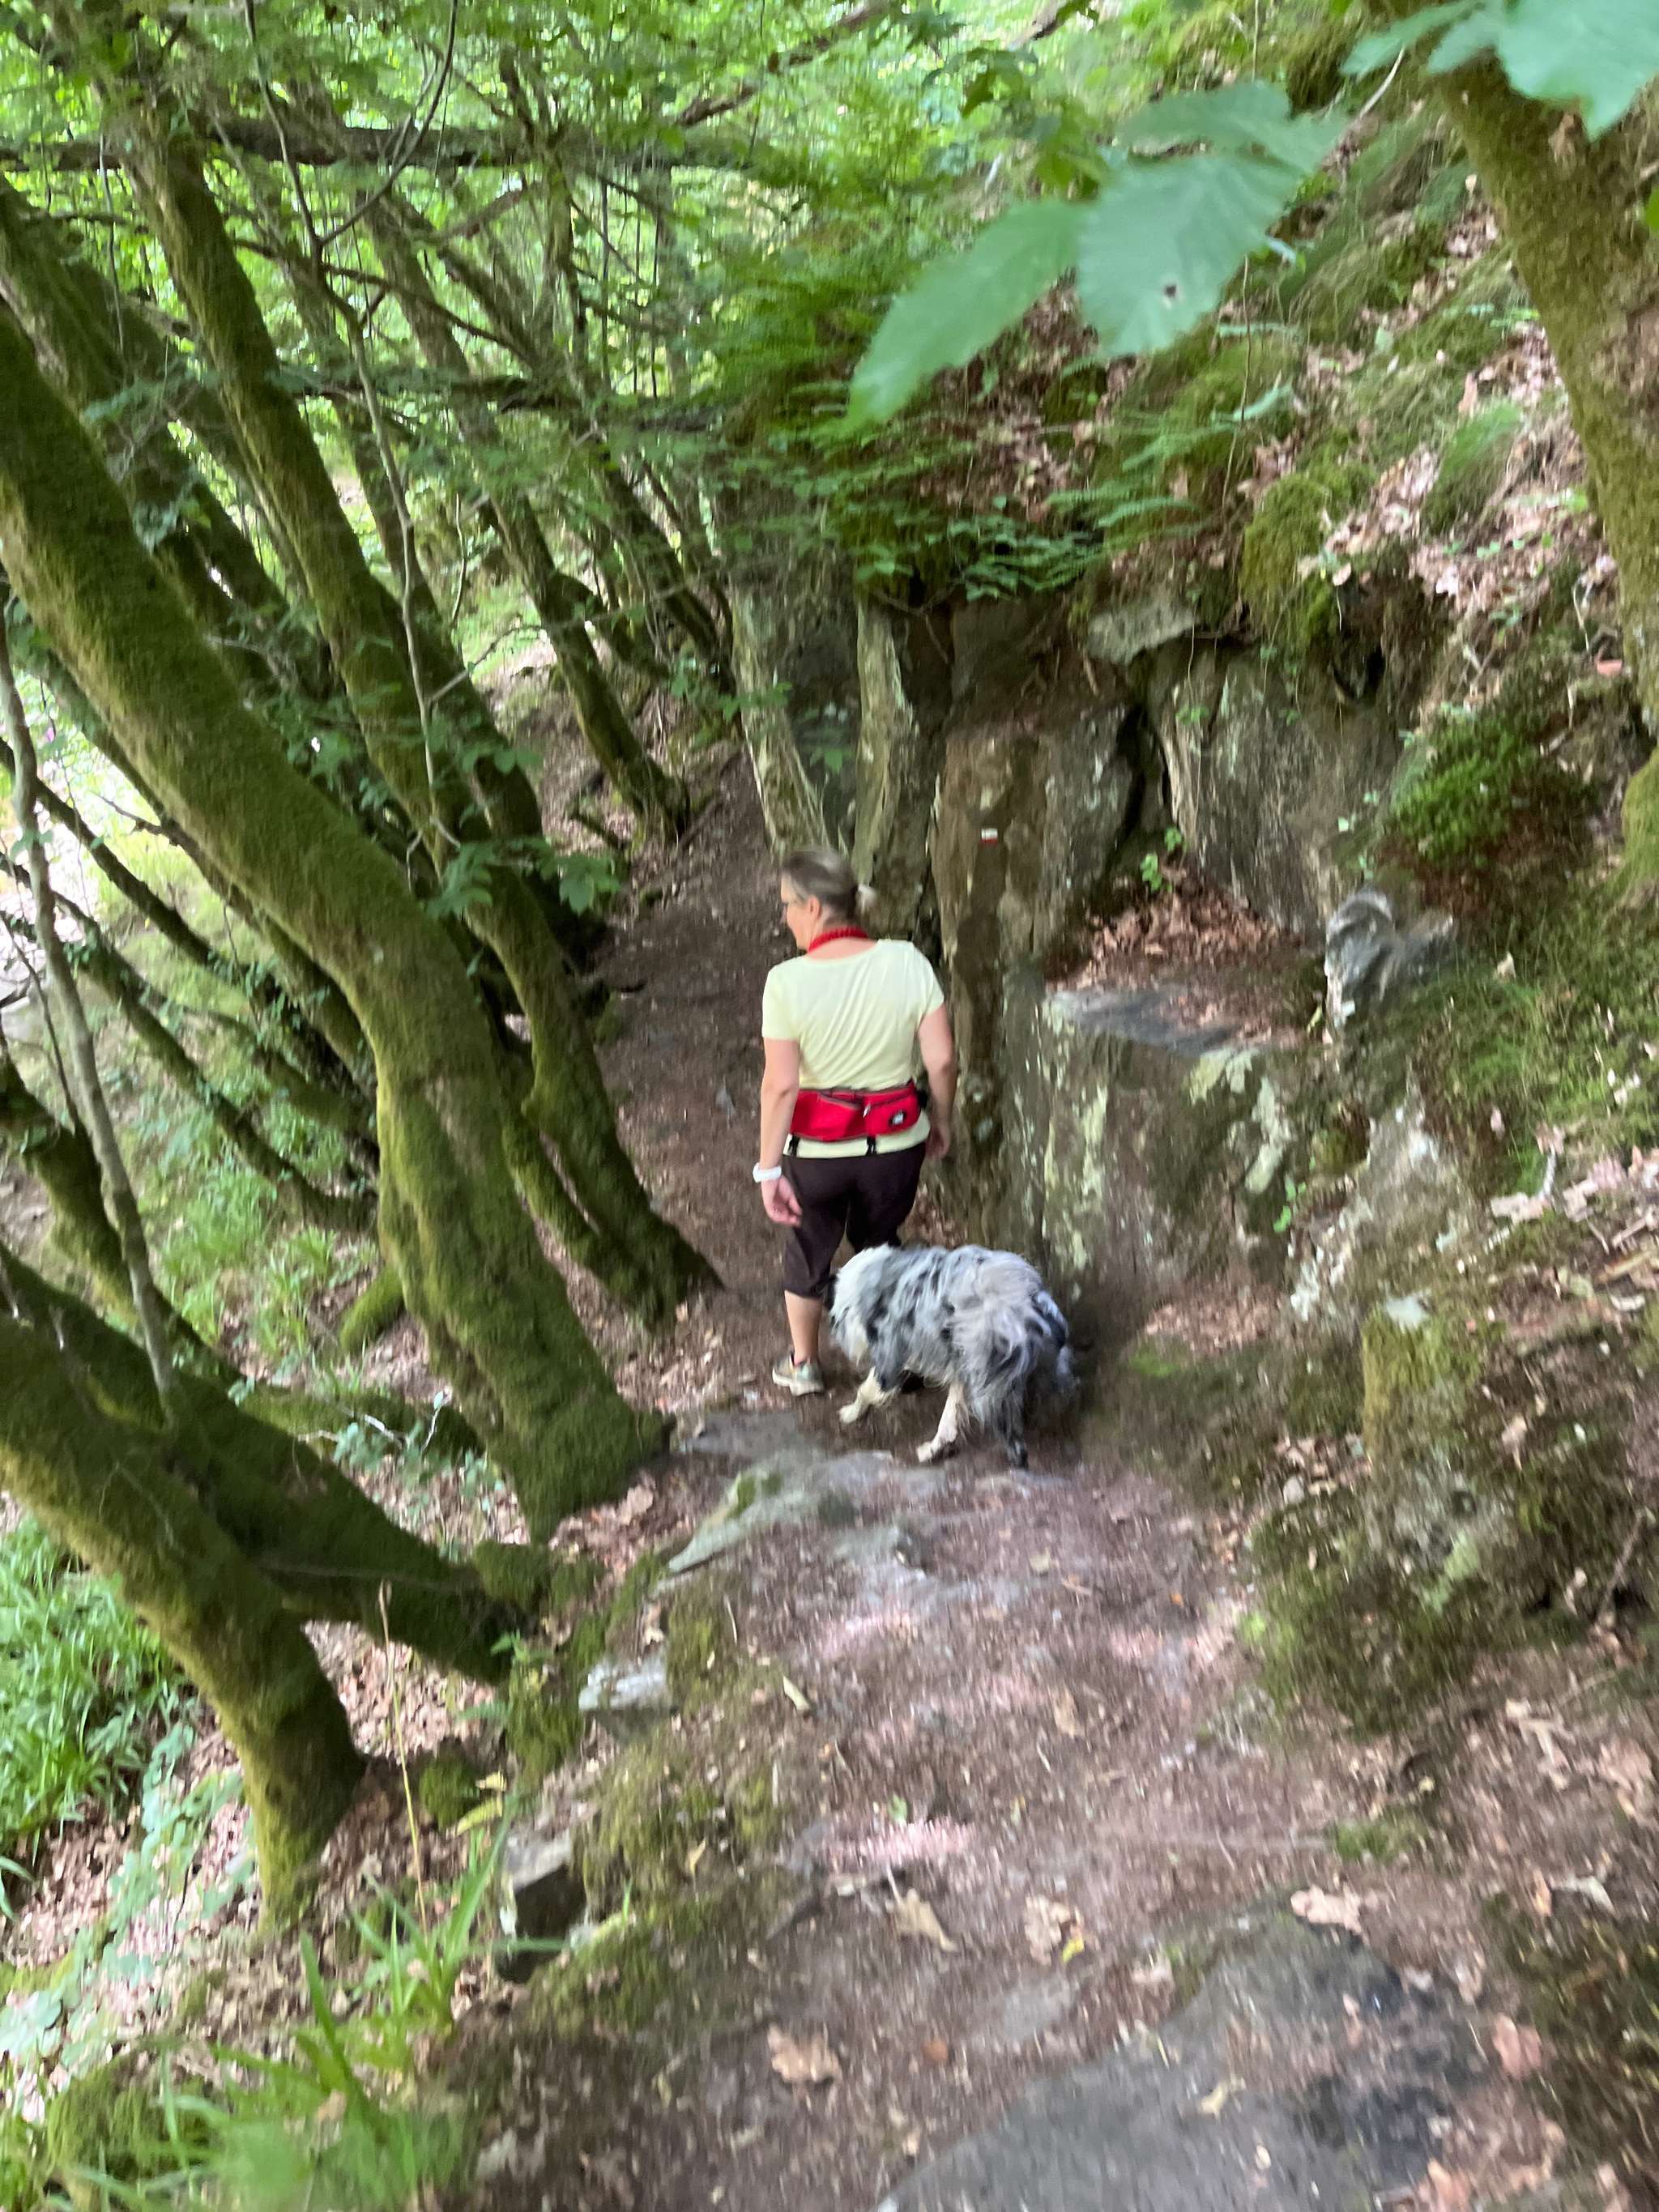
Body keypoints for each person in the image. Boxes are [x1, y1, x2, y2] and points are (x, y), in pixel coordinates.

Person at [754, 847, 956, 1396]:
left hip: (818, 1154)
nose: (785, 917)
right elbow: (941, 1060)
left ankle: (804, 1364)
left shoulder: (786, 982)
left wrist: (767, 1170)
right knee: (880, 1244)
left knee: (808, 1248)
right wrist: (941, 1120)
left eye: (788, 905)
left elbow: (781, 1085)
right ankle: (895, 1361)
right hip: (895, 1147)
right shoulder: (907, 961)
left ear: (814, 908)